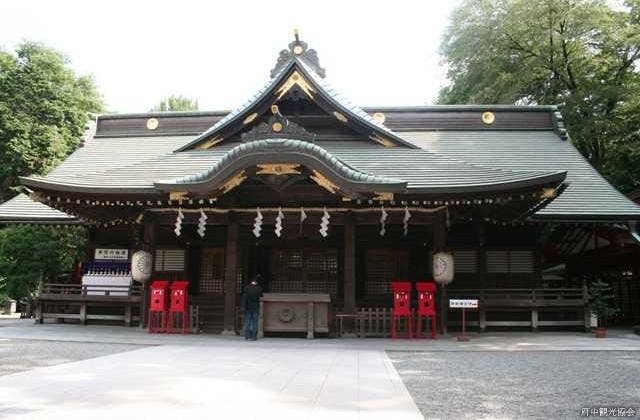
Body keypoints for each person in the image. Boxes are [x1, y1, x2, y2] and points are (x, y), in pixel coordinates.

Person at [240, 274, 263, 341]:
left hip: (248, 308)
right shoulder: (259, 289)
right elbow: (261, 295)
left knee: (247, 322)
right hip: (255, 307)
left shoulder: (247, 288)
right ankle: (254, 337)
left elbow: (244, 298)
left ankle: (247, 336)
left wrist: (243, 306)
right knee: (255, 323)